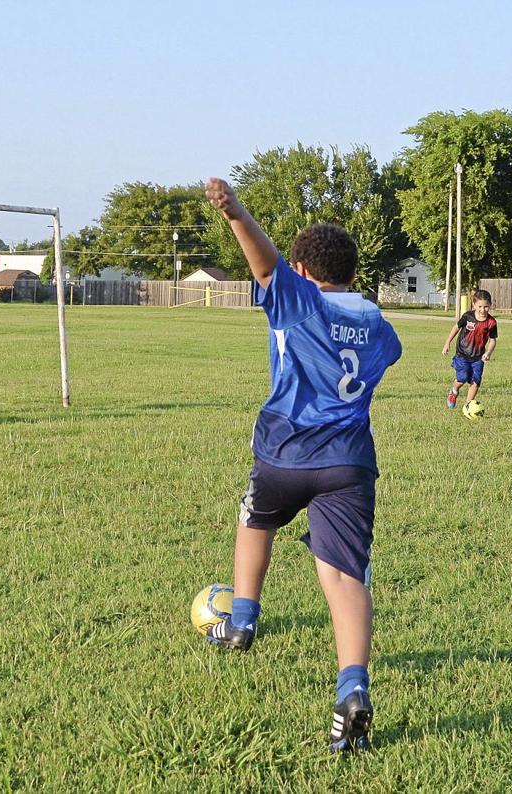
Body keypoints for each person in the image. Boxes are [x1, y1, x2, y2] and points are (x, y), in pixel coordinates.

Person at [202, 178, 402, 753]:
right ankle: (353, 688)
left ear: (303, 268)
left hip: (285, 453)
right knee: (344, 577)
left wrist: (237, 213)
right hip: (350, 463)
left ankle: (241, 622)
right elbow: (382, 354)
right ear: (354, 274)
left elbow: (266, 271)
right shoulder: (378, 325)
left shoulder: (301, 300)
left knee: (255, 521)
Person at [442, 289, 497, 411]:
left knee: (476, 381)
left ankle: (468, 406)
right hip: (462, 354)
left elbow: (492, 340)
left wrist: (488, 352)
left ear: (490, 306)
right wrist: (447, 343)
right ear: (474, 305)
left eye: (486, 307)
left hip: (478, 357)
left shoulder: (491, 322)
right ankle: (454, 391)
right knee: (462, 378)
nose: (483, 310)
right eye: (480, 307)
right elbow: (456, 328)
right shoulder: (468, 316)